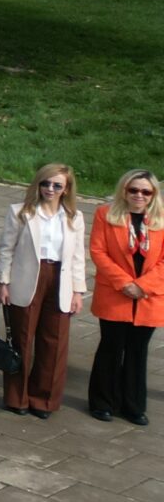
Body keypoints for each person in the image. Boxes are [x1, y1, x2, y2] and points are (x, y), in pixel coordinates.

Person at [0, 164, 89, 418]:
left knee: (54, 342)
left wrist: (78, 292)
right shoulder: (20, 212)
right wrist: (3, 282)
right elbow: (7, 249)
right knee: (21, 339)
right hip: (26, 279)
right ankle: (18, 398)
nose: (50, 189)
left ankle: (44, 400)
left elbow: (78, 257)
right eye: (45, 183)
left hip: (60, 280)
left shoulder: (74, 217)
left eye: (57, 185)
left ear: (66, 189)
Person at [89, 169, 164, 426]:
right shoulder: (106, 214)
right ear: (124, 190)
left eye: (145, 191)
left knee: (137, 350)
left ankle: (133, 405)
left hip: (148, 296)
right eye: (133, 190)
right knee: (111, 347)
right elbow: (98, 251)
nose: (139, 195)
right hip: (115, 293)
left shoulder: (161, 219)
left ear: (153, 194)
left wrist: (142, 285)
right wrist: (124, 283)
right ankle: (102, 402)